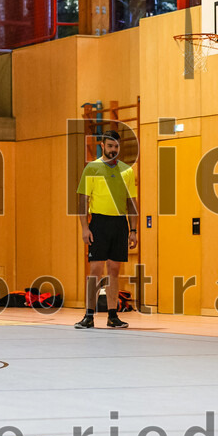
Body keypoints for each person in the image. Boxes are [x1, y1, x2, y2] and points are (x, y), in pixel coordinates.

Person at [74, 130, 138, 329]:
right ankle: (89, 316)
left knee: (114, 270)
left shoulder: (127, 171)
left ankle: (112, 316)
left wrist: (133, 230)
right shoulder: (92, 168)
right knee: (95, 270)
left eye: (116, 146)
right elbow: (83, 201)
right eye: (110, 146)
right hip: (99, 223)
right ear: (102, 146)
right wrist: (85, 228)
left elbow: (132, 202)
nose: (113, 150)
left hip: (119, 223)